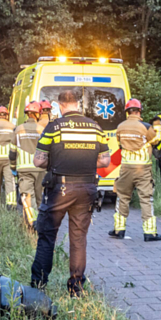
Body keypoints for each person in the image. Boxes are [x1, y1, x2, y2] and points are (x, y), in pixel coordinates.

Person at [30, 89, 110, 296]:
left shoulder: (54, 127)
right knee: (78, 239)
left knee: (47, 236)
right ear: (78, 104)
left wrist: (58, 161)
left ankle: (38, 286)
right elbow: (104, 161)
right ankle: (76, 288)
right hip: (87, 189)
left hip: (60, 190)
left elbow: (38, 160)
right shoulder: (95, 127)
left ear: (60, 105)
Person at [110, 99, 161, 242]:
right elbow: (156, 140)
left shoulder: (120, 126)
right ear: (139, 111)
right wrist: (157, 126)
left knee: (122, 197)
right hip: (142, 168)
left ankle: (118, 230)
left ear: (127, 112)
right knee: (146, 199)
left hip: (126, 168)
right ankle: (149, 233)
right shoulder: (145, 126)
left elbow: (120, 144)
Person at [13, 101, 44, 228]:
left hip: (24, 168)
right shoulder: (42, 130)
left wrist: (12, 166)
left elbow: (12, 151)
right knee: (39, 197)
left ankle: (33, 222)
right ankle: (39, 222)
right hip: (40, 169)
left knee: (27, 195)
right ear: (38, 114)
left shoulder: (18, 129)